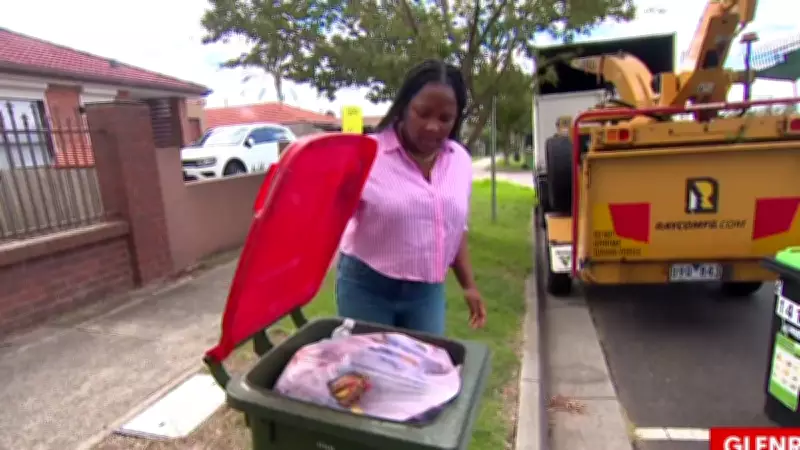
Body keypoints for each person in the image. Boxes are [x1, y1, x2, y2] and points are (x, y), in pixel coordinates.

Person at [336, 59, 487, 336]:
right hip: (367, 288)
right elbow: (326, 222)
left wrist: (468, 285)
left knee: (423, 362)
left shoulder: (460, 160)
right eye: (423, 113)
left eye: (445, 118)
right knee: (371, 363)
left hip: (426, 292)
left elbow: (455, 228)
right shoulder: (366, 156)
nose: (432, 127)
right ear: (404, 106)